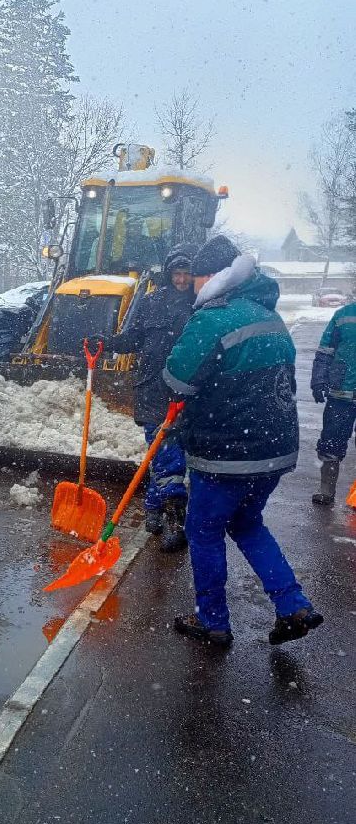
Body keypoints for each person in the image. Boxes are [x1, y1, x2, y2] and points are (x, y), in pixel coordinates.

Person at [163, 236, 323, 648]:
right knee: (248, 524)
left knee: (203, 531)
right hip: (275, 449)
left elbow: (177, 379)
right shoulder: (269, 316)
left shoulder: (212, 319)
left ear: (211, 278)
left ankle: (213, 621)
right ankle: (293, 606)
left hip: (226, 453)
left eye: (198, 279)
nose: (194, 287)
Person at [108, 249, 195, 551]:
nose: (182, 279)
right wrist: (106, 342)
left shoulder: (200, 304)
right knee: (161, 455)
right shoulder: (151, 301)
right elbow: (132, 338)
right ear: (169, 275)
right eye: (177, 273)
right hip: (151, 390)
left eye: (187, 273)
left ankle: (163, 515)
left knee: (169, 456)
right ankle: (164, 515)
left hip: (185, 391)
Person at [310, 298, 356, 505]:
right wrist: (319, 380)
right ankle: (326, 488)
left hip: (342, 391)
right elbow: (325, 351)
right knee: (331, 440)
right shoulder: (343, 315)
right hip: (340, 392)